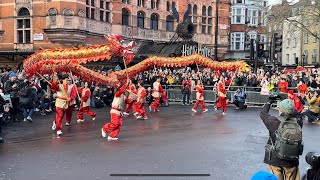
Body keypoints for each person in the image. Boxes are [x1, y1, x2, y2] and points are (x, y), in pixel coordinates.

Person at [260, 99, 303, 180]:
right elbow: (298, 114)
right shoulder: (298, 122)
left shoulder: (273, 121)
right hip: (292, 159)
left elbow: (263, 114)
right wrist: (290, 105)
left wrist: (270, 101)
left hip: (275, 159)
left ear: (280, 110)